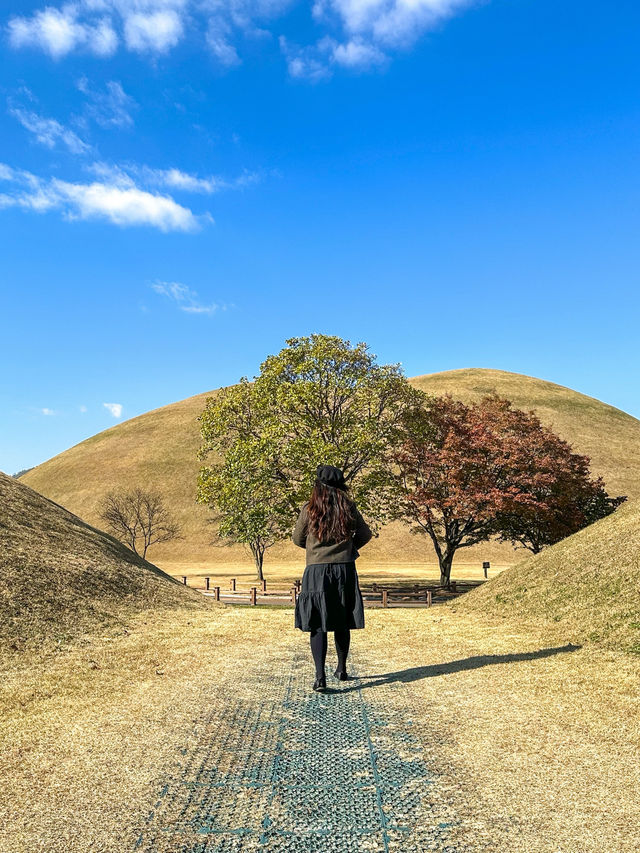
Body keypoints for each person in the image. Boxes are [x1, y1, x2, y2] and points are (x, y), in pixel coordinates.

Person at [292, 464, 373, 692]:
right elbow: (365, 534)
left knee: (317, 623)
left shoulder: (309, 509)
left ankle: (320, 677)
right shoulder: (348, 507)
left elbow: (297, 538)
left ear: (318, 485)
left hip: (316, 571)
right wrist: (348, 549)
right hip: (344, 569)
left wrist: (315, 549)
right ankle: (342, 668)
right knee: (342, 619)